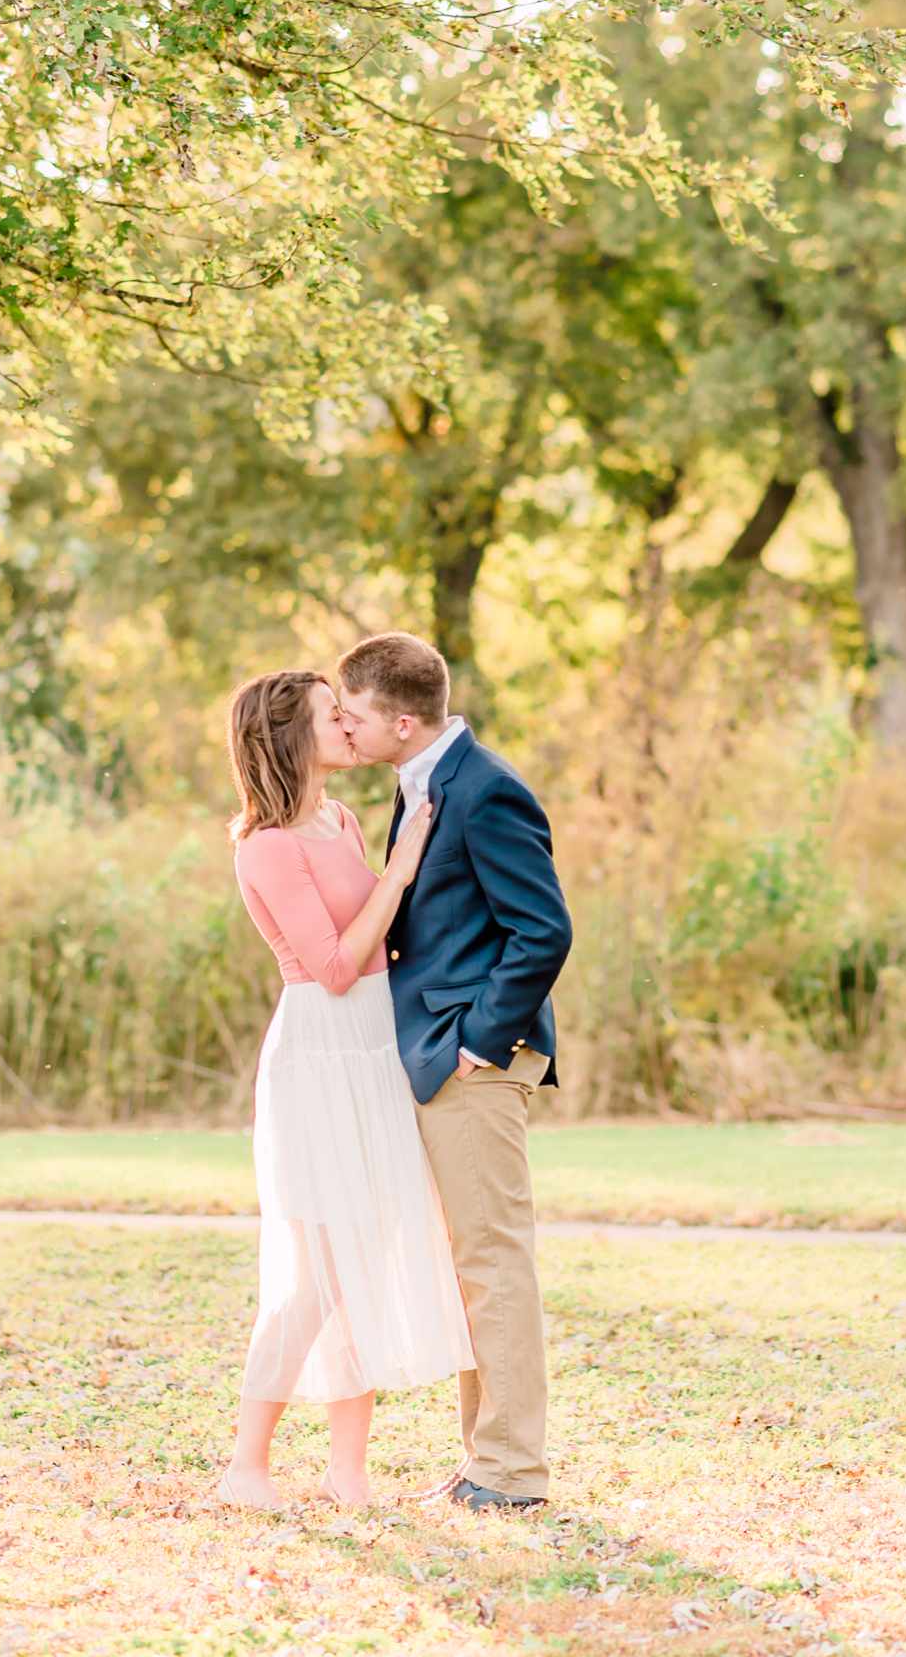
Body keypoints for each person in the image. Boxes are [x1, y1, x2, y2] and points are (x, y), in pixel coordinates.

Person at [333, 631, 573, 1516]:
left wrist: (481, 1037)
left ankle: (509, 1469)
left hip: (476, 1057)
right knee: (471, 1260)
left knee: (492, 1257)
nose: (344, 730)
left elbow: (542, 928)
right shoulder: (425, 780)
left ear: (401, 720)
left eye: (353, 716)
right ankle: (485, 1461)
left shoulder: (487, 789)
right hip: (440, 1052)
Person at [216, 669, 469, 1509]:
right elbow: (329, 966)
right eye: (334, 715)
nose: (350, 725)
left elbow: (378, 953)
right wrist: (397, 873)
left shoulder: (342, 819)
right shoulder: (266, 844)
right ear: (291, 736)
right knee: (318, 1271)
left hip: (373, 1047)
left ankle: (346, 1471)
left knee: (363, 1261)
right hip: (319, 1058)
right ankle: (246, 1466)